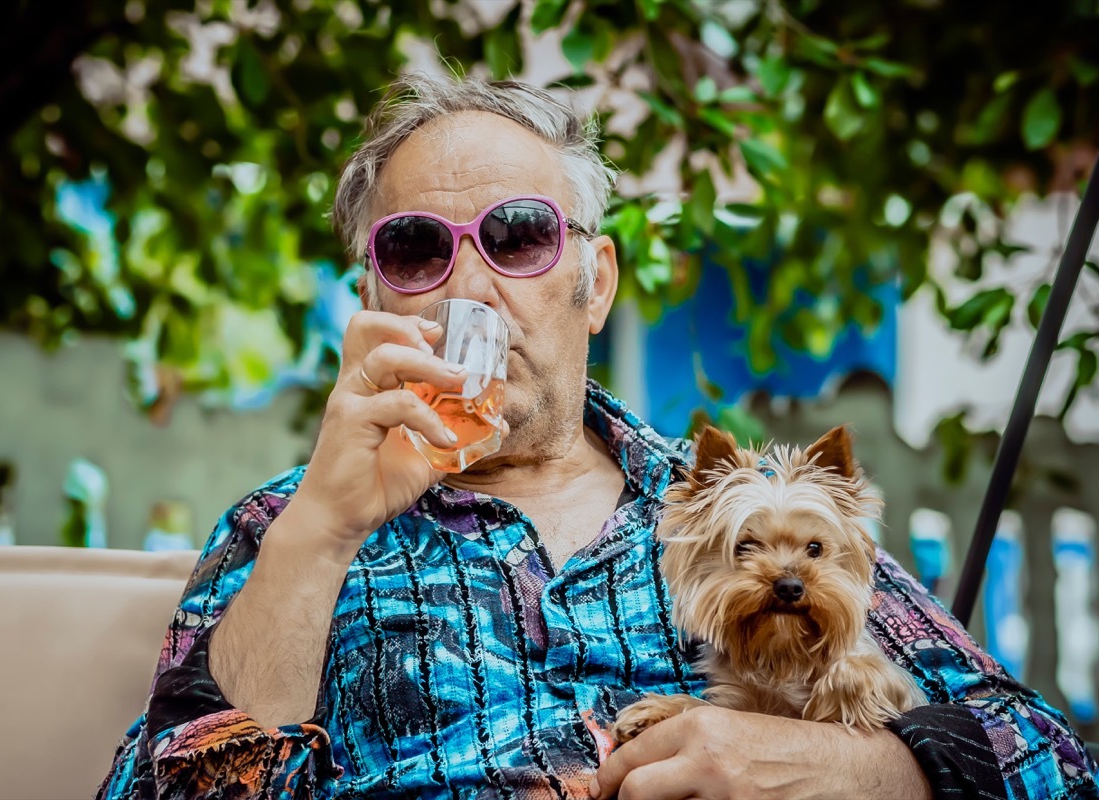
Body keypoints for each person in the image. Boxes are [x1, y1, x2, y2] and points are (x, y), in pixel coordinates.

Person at [97, 73, 1099, 800]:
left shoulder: (746, 511)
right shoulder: (287, 523)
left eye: (519, 234)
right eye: (415, 248)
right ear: (373, 293)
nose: (470, 285)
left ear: (598, 281)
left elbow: (1054, 760)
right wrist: (319, 530)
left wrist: (852, 765)